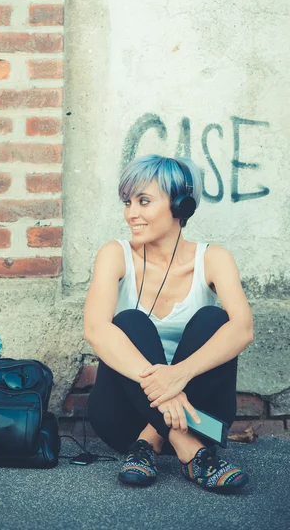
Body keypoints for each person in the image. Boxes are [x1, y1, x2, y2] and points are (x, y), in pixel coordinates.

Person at [83, 154, 253, 493]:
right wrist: (166, 393)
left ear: (181, 206)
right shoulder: (114, 254)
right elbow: (96, 330)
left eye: (144, 201)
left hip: (200, 413)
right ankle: (191, 451)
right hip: (124, 419)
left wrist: (178, 375)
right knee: (129, 322)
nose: (131, 213)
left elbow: (243, 329)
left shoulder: (214, 259)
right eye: (128, 202)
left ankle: (148, 443)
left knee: (215, 319)